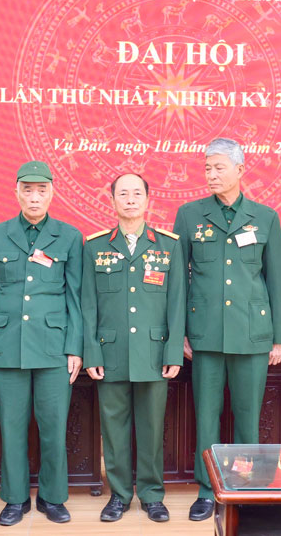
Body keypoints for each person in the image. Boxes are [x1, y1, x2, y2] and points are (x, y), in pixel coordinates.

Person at [171, 138, 281, 521]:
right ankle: (208, 490)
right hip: (205, 334)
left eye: (219, 167)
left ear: (240, 169)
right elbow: (178, 280)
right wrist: (180, 332)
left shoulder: (265, 217)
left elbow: (275, 281)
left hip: (251, 333)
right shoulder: (190, 215)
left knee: (247, 416)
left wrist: (277, 337)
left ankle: (244, 488)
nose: (211, 174)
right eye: (207, 168)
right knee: (206, 416)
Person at [0, 161, 83, 526]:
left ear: (52, 193)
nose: (34, 197)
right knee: (12, 429)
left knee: (53, 428)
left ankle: (53, 497)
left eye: (41, 190)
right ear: (16, 192)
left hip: (53, 348)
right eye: (28, 190)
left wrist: (75, 348)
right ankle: (15, 499)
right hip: (7, 347)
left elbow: (76, 297)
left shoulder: (69, 236)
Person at [81, 173, 185, 523]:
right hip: (110, 353)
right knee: (114, 430)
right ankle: (119, 495)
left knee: (153, 428)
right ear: (112, 200)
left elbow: (177, 302)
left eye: (136, 193)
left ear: (147, 199)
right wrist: (92, 352)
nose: (130, 199)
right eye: (123, 194)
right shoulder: (95, 246)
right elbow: (88, 305)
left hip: (154, 353)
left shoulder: (168, 245)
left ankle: (152, 495)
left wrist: (173, 351)